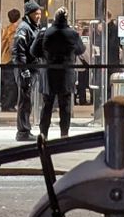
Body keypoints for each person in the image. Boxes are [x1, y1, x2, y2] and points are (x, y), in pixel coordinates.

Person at [33, 9, 85, 139]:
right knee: (65, 105)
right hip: (66, 73)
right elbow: (81, 50)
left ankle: (43, 134)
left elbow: (34, 51)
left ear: (55, 18)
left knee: (47, 105)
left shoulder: (45, 33)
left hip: (49, 73)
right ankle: (64, 135)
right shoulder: (72, 33)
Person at [10, 0, 43, 139]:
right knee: (24, 101)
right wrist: (24, 70)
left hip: (31, 68)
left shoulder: (33, 27)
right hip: (26, 69)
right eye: (36, 13)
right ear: (29, 14)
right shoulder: (24, 28)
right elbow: (18, 51)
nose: (39, 16)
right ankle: (23, 132)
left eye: (40, 13)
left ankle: (25, 130)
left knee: (27, 101)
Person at [0, 7, 22, 121]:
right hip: (10, 60)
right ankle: (8, 104)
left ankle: (5, 103)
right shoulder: (15, 29)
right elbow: (13, 46)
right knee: (12, 84)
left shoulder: (6, 29)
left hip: (3, 59)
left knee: (6, 83)